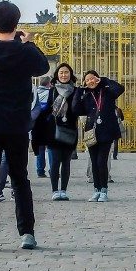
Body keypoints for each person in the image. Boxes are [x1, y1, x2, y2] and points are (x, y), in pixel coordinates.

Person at [0, 0, 49, 252]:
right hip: (16, 125)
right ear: (17, 24)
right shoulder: (25, 52)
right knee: (20, 180)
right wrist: (27, 42)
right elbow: (43, 67)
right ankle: (27, 233)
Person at [75, 70, 125, 202]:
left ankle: (104, 190)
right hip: (91, 132)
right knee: (94, 162)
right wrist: (79, 91)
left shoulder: (107, 92)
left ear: (96, 79)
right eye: (87, 80)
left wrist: (103, 80)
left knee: (101, 161)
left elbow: (120, 88)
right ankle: (96, 190)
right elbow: (75, 109)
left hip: (106, 131)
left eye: (92, 79)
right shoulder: (86, 95)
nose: (90, 81)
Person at [46, 63, 79, 201]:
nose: (64, 75)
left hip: (70, 129)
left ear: (70, 74)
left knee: (66, 162)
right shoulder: (52, 91)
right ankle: (55, 190)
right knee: (54, 162)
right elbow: (47, 110)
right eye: (61, 72)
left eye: (66, 72)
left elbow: (79, 109)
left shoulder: (76, 91)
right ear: (57, 75)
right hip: (54, 130)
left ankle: (63, 190)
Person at [30, 77, 52, 178]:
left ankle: (40, 170)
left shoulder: (35, 92)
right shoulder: (50, 93)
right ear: (49, 84)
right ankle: (53, 169)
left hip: (36, 122)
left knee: (39, 147)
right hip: (48, 121)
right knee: (51, 147)